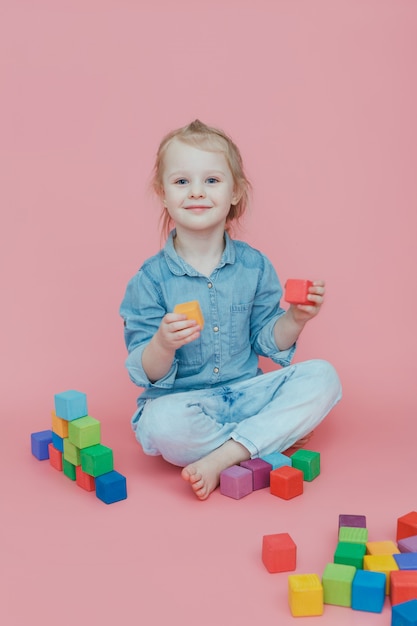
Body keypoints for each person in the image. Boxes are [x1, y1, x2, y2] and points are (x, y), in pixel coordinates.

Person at [119, 119, 342, 500]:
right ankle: (266, 436)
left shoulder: (255, 267)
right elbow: (145, 371)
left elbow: (266, 340)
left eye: (211, 180)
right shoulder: (150, 280)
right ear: (163, 194)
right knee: (162, 425)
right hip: (184, 404)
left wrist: (295, 318)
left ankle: (224, 456)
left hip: (246, 393)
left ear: (235, 191)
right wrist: (162, 343)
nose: (196, 192)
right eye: (181, 181)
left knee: (324, 377)